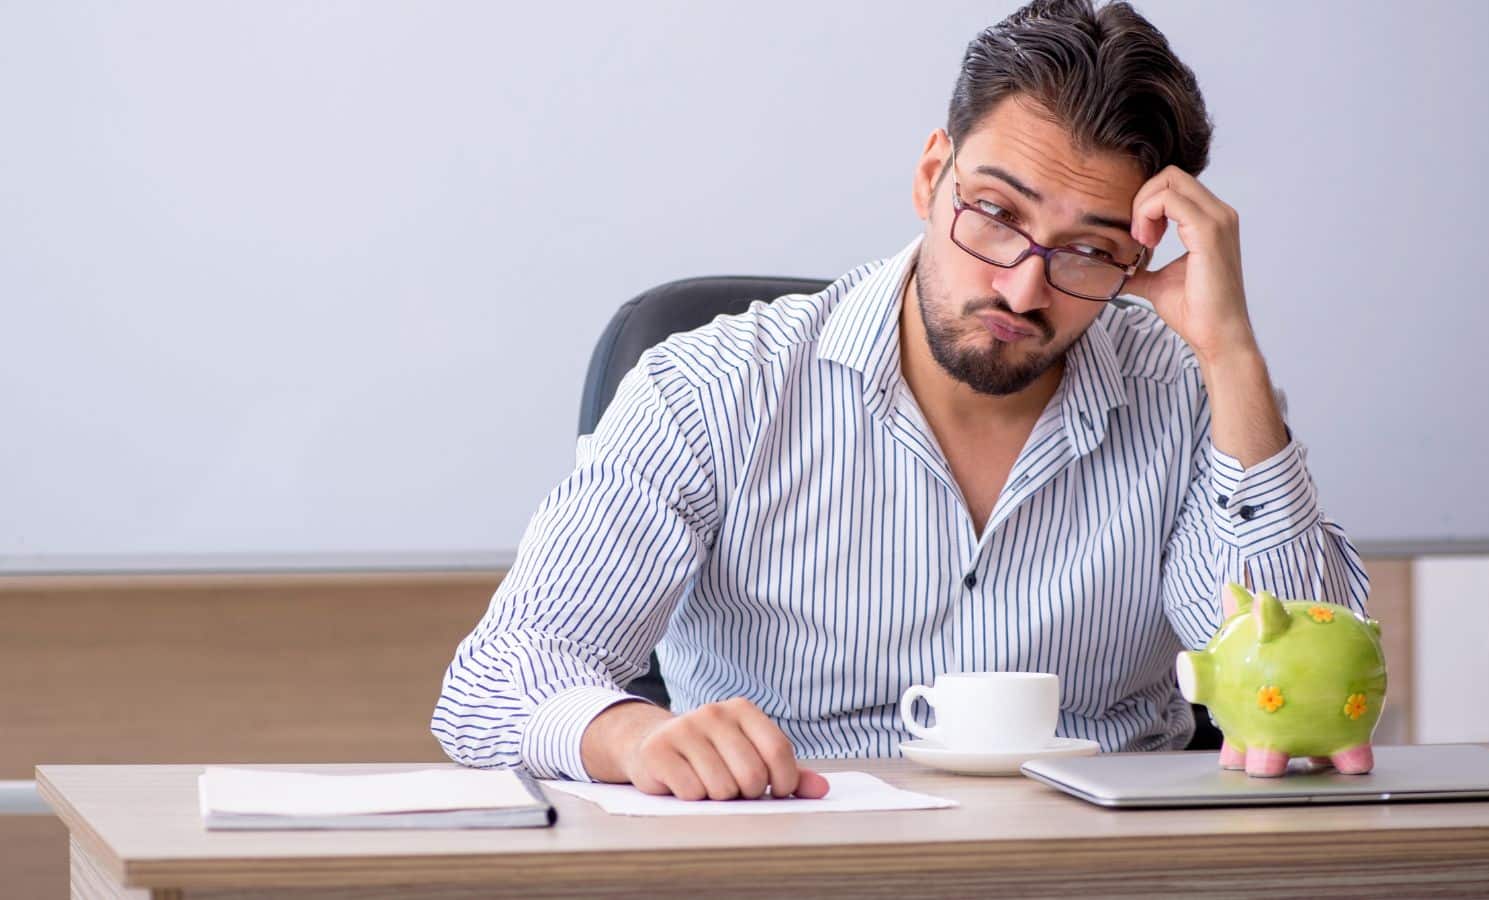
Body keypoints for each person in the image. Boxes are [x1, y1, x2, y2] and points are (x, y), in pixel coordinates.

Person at [432, 0, 1369, 801]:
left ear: (1141, 258)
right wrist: (630, 737)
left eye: (1088, 250)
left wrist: (1234, 355)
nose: (1021, 289)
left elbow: (1310, 704)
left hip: (1097, 870)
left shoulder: (1190, 390)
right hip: (799, 857)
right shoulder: (711, 390)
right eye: (996, 215)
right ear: (932, 176)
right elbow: (493, 682)